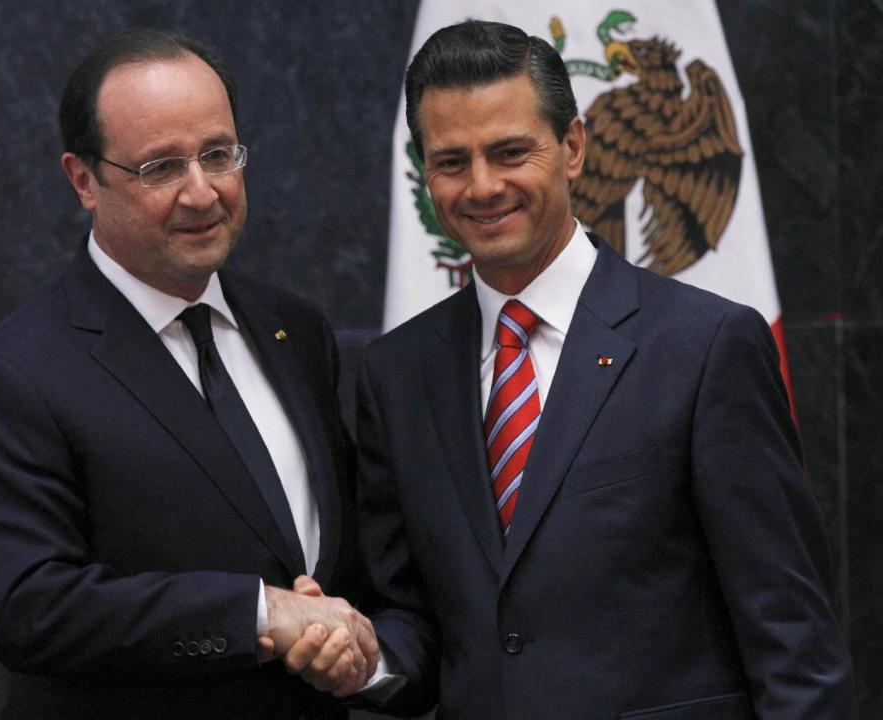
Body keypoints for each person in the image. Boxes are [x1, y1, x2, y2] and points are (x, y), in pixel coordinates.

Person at [347, 20, 858, 718]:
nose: (483, 185)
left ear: (575, 147)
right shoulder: (395, 375)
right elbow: (418, 620)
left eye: (509, 151)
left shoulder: (706, 347)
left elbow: (793, 639)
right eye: (451, 161)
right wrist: (361, 654)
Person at [0, 27, 376, 720]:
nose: (202, 193)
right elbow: (33, 610)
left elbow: (340, 563)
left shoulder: (296, 332)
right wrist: (259, 614)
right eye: (161, 168)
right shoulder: (13, 375)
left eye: (217, 155)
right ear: (83, 179)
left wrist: (353, 648)